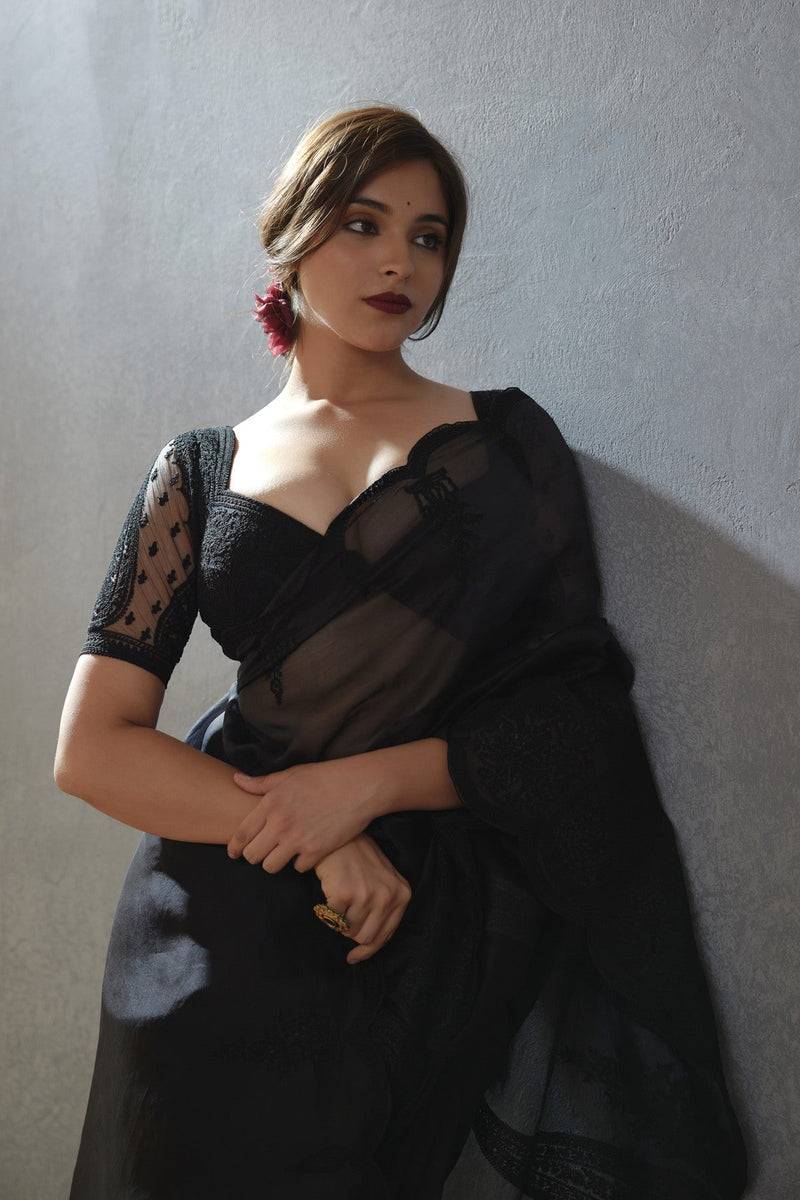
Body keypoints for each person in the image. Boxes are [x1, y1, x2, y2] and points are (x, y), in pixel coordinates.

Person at [55, 105, 747, 1200]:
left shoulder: (506, 443)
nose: (400, 262)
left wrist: (364, 787)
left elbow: (573, 713)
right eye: (363, 223)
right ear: (291, 235)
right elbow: (93, 750)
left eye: (428, 237)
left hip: (420, 937)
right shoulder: (194, 471)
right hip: (211, 929)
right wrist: (317, 832)